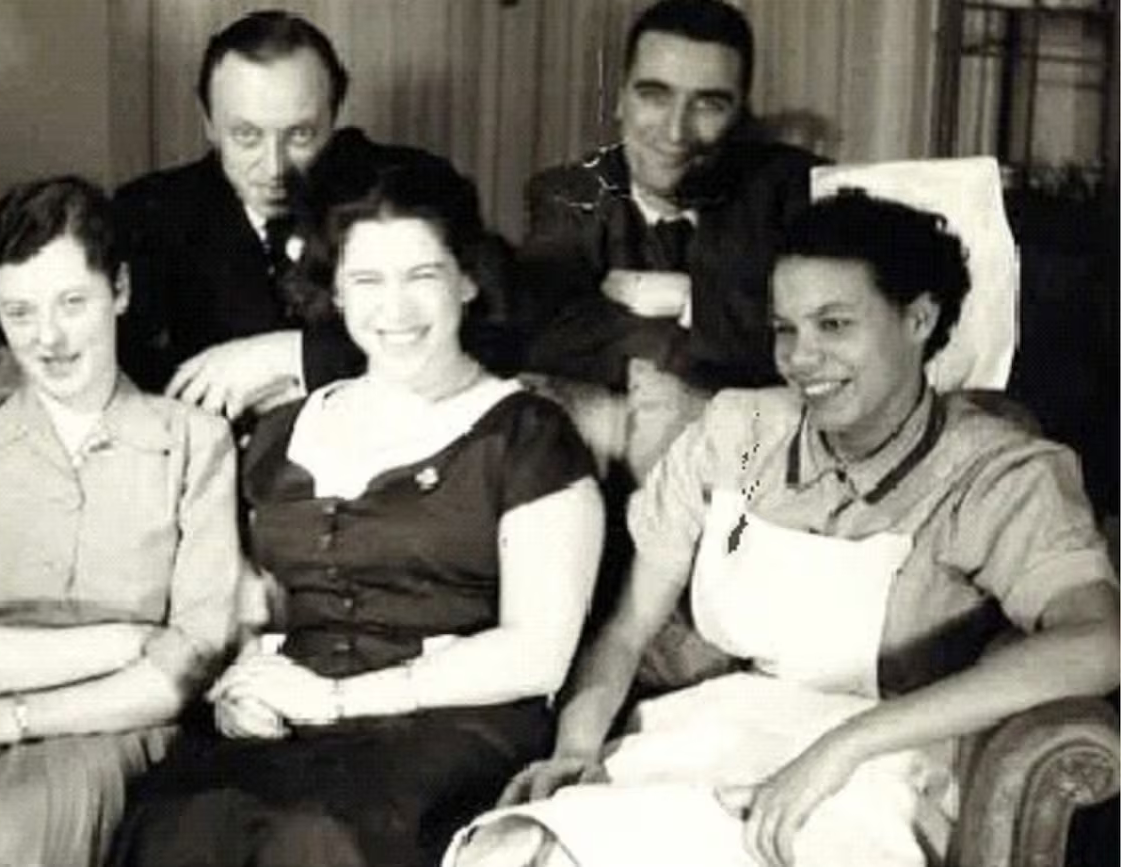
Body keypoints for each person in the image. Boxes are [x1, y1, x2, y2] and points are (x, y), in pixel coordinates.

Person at [446, 193, 1120, 867]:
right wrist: (575, 747)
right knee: (524, 850)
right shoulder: (740, 435)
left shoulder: (994, 475)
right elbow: (626, 630)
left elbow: (1099, 642)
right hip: (706, 736)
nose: (801, 358)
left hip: (880, 773)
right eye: (784, 329)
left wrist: (849, 743)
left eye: (833, 324)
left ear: (919, 318)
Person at [109, 150, 605, 867]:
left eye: (422, 276)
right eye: (367, 279)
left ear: (467, 278)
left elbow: (537, 653)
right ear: (334, 291)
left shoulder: (526, 434)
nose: (394, 308)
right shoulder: (280, 433)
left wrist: (339, 701)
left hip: (454, 724)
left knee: (314, 837)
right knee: (175, 821)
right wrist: (241, 686)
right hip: (298, 719)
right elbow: (255, 609)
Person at [0, 177, 241, 867]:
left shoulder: (193, 441)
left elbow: (185, 666)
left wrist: (17, 716)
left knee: (14, 833)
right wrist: (134, 635)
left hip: (110, 724)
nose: (48, 338)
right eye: (19, 311)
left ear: (119, 291)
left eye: (71, 303)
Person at [115, 9, 488, 418]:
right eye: (246, 136)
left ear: (334, 116)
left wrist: (297, 356)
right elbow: (128, 377)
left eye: (300, 135)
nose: (275, 167)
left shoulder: (413, 187)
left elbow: (499, 334)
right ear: (208, 123)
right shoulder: (147, 213)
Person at [518, 0, 822, 396]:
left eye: (709, 104)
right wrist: (698, 347)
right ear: (620, 99)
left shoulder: (799, 189)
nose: (676, 132)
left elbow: (820, 342)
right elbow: (540, 332)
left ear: (741, 116)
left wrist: (684, 299)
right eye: (654, 95)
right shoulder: (571, 194)